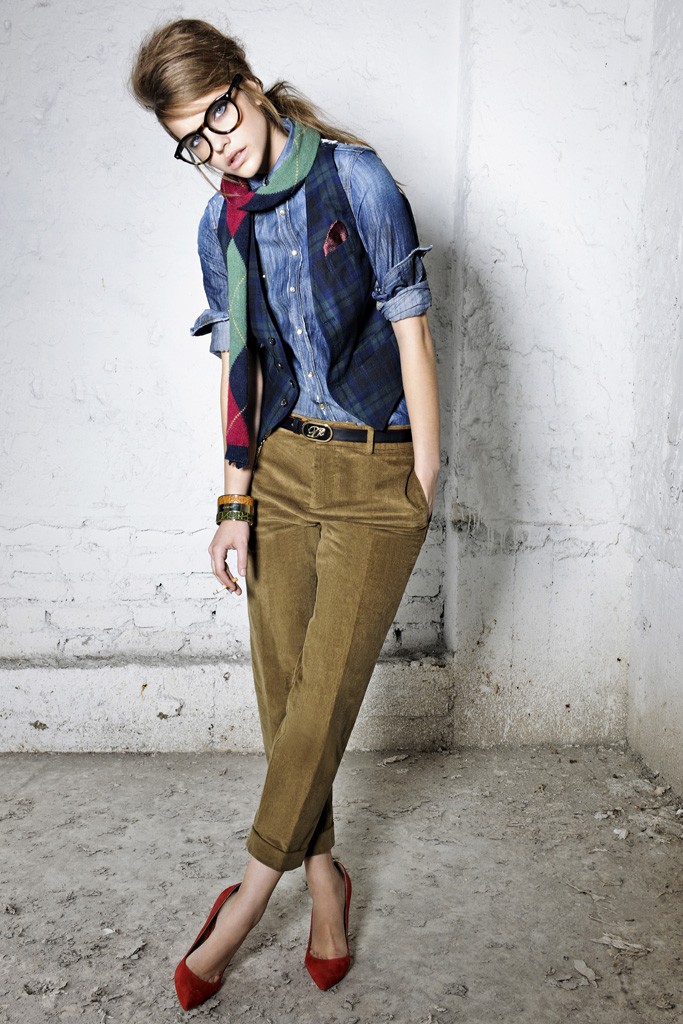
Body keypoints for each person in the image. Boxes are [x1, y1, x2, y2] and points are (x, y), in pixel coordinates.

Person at [130, 18, 440, 1010]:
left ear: (248, 86)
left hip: (374, 468)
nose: (213, 145)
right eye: (189, 139)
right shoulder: (217, 224)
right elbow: (240, 365)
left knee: (324, 694)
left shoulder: (357, 179)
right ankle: (323, 880)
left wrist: (424, 477)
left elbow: (409, 324)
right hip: (279, 470)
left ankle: (243, 904)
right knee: (286, 700)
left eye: (216, 115)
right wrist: (233, 501)